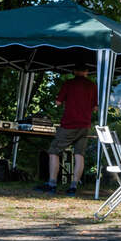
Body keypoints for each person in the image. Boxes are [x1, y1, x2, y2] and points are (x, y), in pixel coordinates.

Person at [36, 63, 98, 195]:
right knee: (79, 154)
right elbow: (95, 107)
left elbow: (58, 103)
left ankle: (52, 184)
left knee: (54, 151)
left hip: (69, 124)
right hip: (85, 125)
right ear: (87, 71)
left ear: (74, 71)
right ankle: (73, 187)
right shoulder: (92, 86)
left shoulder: (68, 84)